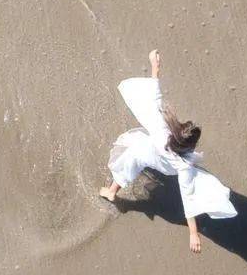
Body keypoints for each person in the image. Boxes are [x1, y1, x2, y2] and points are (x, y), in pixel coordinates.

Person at [100, 49, 237, 252]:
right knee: (187, 180)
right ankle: (112, 191)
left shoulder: (163, 126)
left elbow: (155, 97)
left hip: (142, 150)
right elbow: (187, 197)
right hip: (162, 163)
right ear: (190, 146)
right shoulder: (183, 166)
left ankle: (111, 192)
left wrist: (154, 65)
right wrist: (193, 233)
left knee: (127, 166)